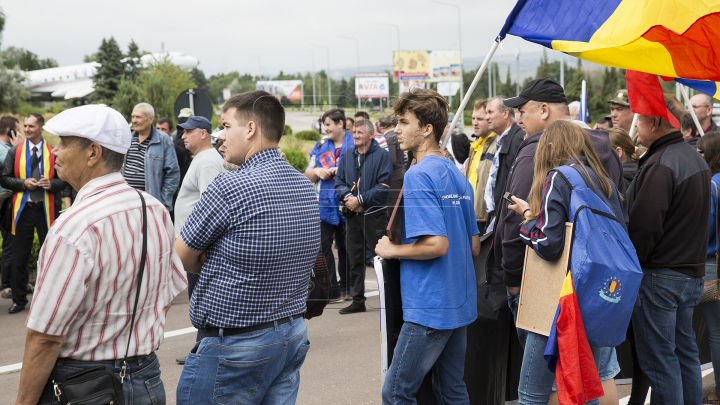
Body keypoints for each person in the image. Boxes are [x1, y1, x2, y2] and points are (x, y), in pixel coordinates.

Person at [15, 104, 187, 404]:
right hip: (146, 377)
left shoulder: (73, 226)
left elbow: (45, 337)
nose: (55, 150)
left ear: (93, 152)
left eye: (64, 142)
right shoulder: (154, 209)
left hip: (83, 386)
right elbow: (167, 294)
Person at [174, 90, 320, 404]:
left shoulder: (230, 185)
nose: (219, 136)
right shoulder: (303, 184)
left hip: (237, 347)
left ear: (250, 129)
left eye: (226, 126)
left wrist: (213, 260)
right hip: (291, 333)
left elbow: (182, 254)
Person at [489, 82, 626, 402]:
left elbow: (549, 243)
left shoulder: (558, 177)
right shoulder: (602, 172)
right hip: (600, 284)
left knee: (536, 390)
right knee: (596, 376)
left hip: (556, 290)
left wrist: (526, 223)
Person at [375, 88, 480, 404]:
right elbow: (473, 246)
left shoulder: (419, 174)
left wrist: (393, 250)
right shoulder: (457, 174)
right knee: (451, 389)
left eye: (404, 122)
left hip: (430, 306)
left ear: (427, 129)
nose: (397, 129)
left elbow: (436, 244)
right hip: (458, 301)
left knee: (395, 392)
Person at [628, 94, 710, 404]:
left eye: (639, 118)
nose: (636, 126)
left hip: (661, 276)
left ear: (653, 121)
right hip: (688, 274)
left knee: (661, 362)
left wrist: (632, 267)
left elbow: (644, 227)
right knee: (684, 354)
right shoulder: (692, 157)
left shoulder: (663, 163)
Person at [172, 116, 225, 366]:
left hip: (197, 245)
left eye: (188, 131)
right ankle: (202, 347)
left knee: (203, 298)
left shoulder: (206, 162)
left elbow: (210, 207)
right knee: (201, 297)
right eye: (182, 131)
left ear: (204, 133)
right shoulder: (203, 160)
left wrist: (200, 247)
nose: (183, 135)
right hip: (193, 242)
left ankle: (205, 350)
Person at [0, 113, 65, 314]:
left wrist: (51, 184)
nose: (26, 129)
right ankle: (19, 300)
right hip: (23, 210)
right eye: (25, 126)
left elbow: (65, 180)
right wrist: (23, 183)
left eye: (31, 126)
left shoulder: (53, 151)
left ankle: (50, 298)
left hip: (47, 210)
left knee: (51, 255)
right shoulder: (15, 151)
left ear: (41, 128)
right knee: (20, 256)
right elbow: (4, 179)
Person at [335, 119, 392, 314]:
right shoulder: (347, 156)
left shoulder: (383, 156)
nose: (356, 136)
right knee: (354, 258)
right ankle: (358, 300)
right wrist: (350, 198)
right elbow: (339, 183)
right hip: (352, 217)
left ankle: (390, 299)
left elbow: (384, 188)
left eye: (360, 132)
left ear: (370, 134)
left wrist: (360, 199)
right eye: (354, 133)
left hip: (375, 216)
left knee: (383, 258)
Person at [306, 108, 354, 301]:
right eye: (324, 125)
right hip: (324, 206)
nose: (325, 128)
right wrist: (318, 172)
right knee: (325, 249)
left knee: (346, 248)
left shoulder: (355, 143)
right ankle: (331, 290)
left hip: (348, 203)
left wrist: (341, 170)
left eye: (328, 124)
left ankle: (347, 288)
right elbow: (307, 174)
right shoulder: (320, 145)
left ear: (340, 124)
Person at [696, 132, 720, 405]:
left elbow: (705, 230)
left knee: (715, 331)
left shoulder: (712, 185)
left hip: (711, 265)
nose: (698, 157)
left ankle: (717, 390)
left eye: (702, 153)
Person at [123, 103, 180, 212]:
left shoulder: (163, 140)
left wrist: (162, 201)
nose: (134, 120)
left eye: (138, 117)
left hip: (150, 206)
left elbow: (173, 173)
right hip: (128, 204)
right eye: (133, 116)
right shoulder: (128, 138)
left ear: (150, 119)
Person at [484, 95, 524, 224]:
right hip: (498, 216)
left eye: (490, 112)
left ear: (505, 113)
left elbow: (517, 186)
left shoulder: (517, 139)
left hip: (507, 218)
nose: (486, 117)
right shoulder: (504, 140)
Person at [0, 116, 23, 299]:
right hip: (5, 202)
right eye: (18, 129)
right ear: (10, 131)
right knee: (9, 243)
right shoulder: (5, 151)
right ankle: (6, 286)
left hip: (6, 201)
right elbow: (17, 170)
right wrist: (18, 148)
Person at [466, 99, 497, 232]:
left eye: (480, 118)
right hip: (471, 214)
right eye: (473, 118)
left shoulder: (497, 145)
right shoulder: (474, 146)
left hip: (485, 218)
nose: (474, 123)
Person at [378, 114, 405, 216]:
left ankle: (392, 231)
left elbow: (391, 159)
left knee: (392, 209)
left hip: (393, 177)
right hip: (400, 174)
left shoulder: (388, 138)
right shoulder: (395, 136)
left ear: (379, 125)